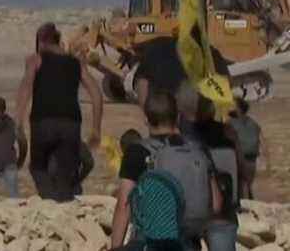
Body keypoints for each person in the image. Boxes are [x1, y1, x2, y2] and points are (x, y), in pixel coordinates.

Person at [110, 90, 223, 250]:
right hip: (189, 242)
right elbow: (216, 204)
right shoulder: (198, 150)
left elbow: (124, 204)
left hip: (152, 243)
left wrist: (116, 246)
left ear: (146, 120)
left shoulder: (137, 152)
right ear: (177, 118)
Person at [16, 22, 103, 202]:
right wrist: (96, 128)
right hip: (70, 123)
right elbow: (96, 93)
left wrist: (19, 122)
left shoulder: (35, 60)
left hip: (43, 122)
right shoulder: (76, 63)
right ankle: (64, 205)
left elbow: (26, 87)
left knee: (38, 168)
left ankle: (50, 203)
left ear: (41, 41)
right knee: (65, 172)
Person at [195, 97, 241, 251]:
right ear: (212, 110)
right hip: (223, 214)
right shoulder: (227, 134)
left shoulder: (187, 135)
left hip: (192, 210)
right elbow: (238, 167)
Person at [228, 98, 270, 200]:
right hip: (252, 160)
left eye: (232, 105)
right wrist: (268, 161)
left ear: (238, 109)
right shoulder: (254, 123)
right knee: (247, 185)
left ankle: (245, 208)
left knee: (242, 186)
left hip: (239, 159)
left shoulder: (230, 123)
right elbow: (263, 142)